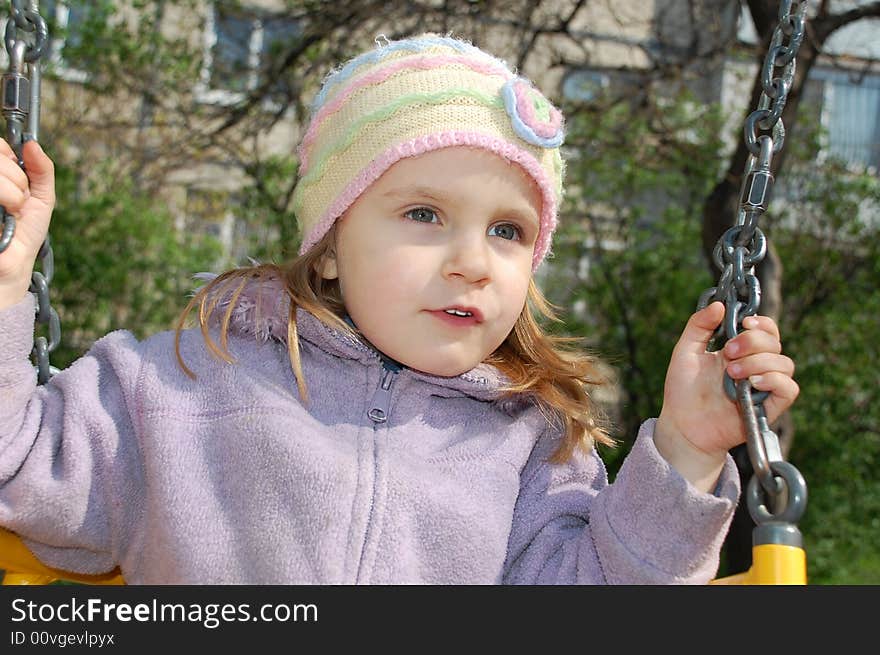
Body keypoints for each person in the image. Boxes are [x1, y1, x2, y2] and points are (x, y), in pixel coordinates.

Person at [0, 34, 797, 584]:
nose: (472, 261)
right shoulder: (179, 388)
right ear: (332, 242)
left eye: (508, 231)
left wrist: (689, 449)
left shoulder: (533, 450)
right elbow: (19, 462)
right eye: (424, 214)